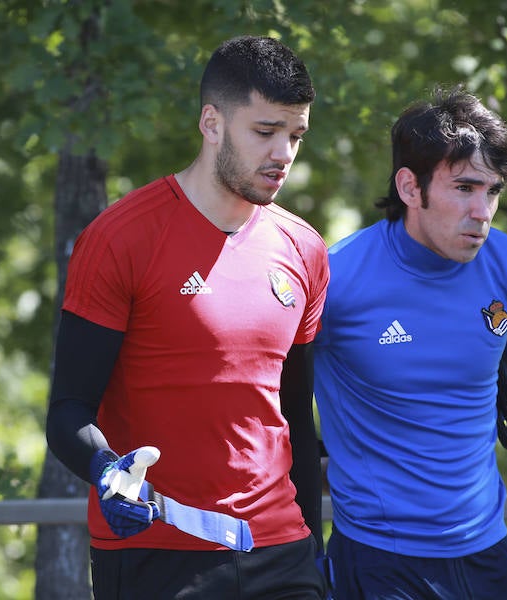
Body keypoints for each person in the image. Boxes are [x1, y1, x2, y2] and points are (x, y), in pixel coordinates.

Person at [45, 35, 329, 599]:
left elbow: (295, 416)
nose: (283, 155)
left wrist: (314, 549)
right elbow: (67, 410)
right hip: (158, 548)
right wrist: (108, 473)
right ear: (212, 122)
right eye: (265, 132)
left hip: (281, 551)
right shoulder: (120, 238)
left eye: (295, 135)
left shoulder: (304, 249)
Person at [312, 86, 507, 599]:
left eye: (493, 191)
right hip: (379, 556)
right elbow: (274, 409)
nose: (482, 211)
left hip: (487, 547)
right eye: (464, 188)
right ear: (409, 186)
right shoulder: (334, 279)